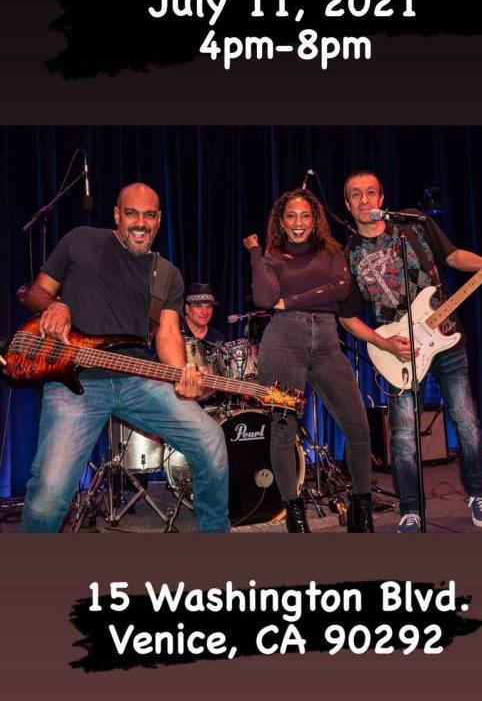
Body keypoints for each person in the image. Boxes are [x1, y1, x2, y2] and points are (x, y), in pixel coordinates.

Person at [18, 182, 229, 533]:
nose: (140, 223)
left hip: (137, 378)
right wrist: (53, 306)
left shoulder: (168, 274)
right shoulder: (80, 240)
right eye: (132, 214)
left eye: (149, 215)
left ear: (159, 220)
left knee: (210, 438)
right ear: (117, 215)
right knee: (49, 496)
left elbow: (167, 334)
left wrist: (183, 377)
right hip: (76, 380)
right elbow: (35, 291)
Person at [339, 170, 482, 532]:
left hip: (446, 337)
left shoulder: (413, 224)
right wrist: (383, 342)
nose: (364, 200)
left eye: (371, 192)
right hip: (399, 351)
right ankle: (411, 509)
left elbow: (453, 256)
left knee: (466, 421)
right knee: (403, 436)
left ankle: (478, 494)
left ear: (382, 198)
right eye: (356, 194)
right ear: (347, 205)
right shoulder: (349, 256)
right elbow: (345, 317)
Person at [243, 187, 374, 533]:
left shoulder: (330, 251)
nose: (298, 222)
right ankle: (294, 511)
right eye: (291, 216)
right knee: (283, 429)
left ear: (315, 220)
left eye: (305, 215)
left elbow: (341, 288)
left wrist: (292, 300)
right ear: (281, 222)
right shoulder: (272, 257)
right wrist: (255, 252)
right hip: (284, 340)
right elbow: (265, 298)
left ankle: (361, 509)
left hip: (327, 339)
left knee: (358, 427)